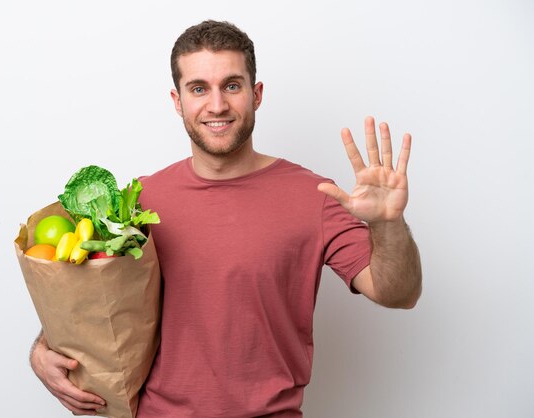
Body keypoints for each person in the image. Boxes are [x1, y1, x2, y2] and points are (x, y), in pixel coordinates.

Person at [30, 20, 422, 417]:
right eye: (199, 88)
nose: (216, 105)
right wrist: (41, 350)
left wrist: (388, 224)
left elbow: (399, 294)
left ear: (256, 94)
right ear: (177, 100)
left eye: (232, 86)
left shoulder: (315, 197)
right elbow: (96, 297)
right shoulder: (139, 201)